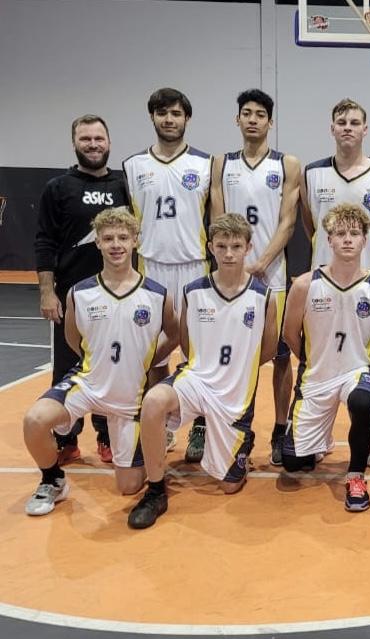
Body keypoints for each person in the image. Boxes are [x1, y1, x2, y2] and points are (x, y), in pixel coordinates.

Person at [127, 214, 279, 529]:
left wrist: (240, 369)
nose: (228, 253)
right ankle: (156, 490)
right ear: (210, 247)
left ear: (248, 247)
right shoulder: (193, 291)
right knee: (154, 401)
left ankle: (242, 441)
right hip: (196, 379)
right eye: (221, 246)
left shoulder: (263, 296)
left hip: (234, 395)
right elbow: (184, 340)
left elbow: (268, 348)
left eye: (236, 246)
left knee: (228, 487)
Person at [23, 207, 178, 516]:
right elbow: (73, 340)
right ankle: (53, 479)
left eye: (123, 237)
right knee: (34, 420)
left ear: (135, 241)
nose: (116, 244)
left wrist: (147, 359)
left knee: (129, 486)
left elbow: (174, 336)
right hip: (89, 383)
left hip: (129, 397)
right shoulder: (79, 293)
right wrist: (96, 362)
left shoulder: (157, 295)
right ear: (97, 242)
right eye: (108, 238)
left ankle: (151, 442)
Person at [301, 97, 370, 469]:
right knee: (317, 360)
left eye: (354, 121)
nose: (347, 127)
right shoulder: (312, 174)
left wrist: (366, 257)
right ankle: (317, 434)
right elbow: (311, 226)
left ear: (365, 128)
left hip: (365, 284)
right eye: (341, 121)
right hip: (322, 288)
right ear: (332, 129)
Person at [280, 204, 370, 512]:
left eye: (354, 234)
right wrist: (312, 359)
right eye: (340, 233)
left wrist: (365, 363)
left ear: (364, 241)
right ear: (327, 240)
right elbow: (291, 334)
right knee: (293, 464)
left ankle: (356, 475)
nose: (347, 240)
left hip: (356, 372)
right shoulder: (305, 285)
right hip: (317, 376)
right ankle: (321, 442)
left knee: (361, 401)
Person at [210, 88, 301, 467]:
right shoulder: (221, 163)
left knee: (280, 357)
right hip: (230, 277)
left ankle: (280, 429)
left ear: (269, 122)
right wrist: (232, 261)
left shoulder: (287, 164)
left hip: (272, 275)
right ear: (237, 119)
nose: (252, 119)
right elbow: (218, 220)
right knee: (227, 356)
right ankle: (225, 425)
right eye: (246, 113)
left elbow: (288, 221)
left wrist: (262, 260)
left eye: (259, 114)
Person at [34, 114, 130, 464]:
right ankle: (67, 438)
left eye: (99, 139)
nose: (93, 145)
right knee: (67, 368)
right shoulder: (57, 188)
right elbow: (44, 241)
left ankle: (106, 437)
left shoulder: (123, 186)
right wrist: (47, 291)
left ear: (109, 142)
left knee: (110, 368)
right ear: (75, 143)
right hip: (72, 298)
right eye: (86, 139)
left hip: (117, 297)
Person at [123, 87, 212, 463]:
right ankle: (160, 423)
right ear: (152, 118)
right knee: (155, 355)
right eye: (162, 113)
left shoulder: (207, 164)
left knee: (199, 356)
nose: (169, 119)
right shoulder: (132, 166)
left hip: (194, 266)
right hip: (152, 269)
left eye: (176, 113)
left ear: (187, 118)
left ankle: (200, 428)